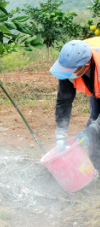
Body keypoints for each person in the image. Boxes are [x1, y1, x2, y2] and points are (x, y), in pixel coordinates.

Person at [49, 37, 100, 171]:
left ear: (86, 66)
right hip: (97, 88)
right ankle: (96, 167)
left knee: (95, 129)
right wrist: (61, 133)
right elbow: (64, 100)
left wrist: (94, 130)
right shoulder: (71, 60)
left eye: (71, 71)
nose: (67, 74)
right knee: (94, 120)